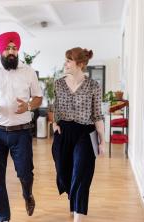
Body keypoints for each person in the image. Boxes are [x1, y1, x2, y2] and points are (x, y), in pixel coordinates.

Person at [0, 31, 42, 222]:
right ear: (0, 51)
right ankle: (3, 218)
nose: (12, 51)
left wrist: (29, 105)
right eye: (7, 48)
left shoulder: (28, 71)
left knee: (25, 173)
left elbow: (38, 98)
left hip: (20, 133)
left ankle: (27, 194)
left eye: (14, 48)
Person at [52, 47, 106, 222]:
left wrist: (102, 140)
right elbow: (56, 108)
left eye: (69, 60)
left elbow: (97, 115)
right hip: (64, 131)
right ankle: (72, 199)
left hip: (85, 132)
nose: (65, 63)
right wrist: (54, 124)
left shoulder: (93, 86)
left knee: (81, 173)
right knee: (64, 172)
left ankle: (78, 215)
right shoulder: (58, 84)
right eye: (66, 60)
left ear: (80, 64)